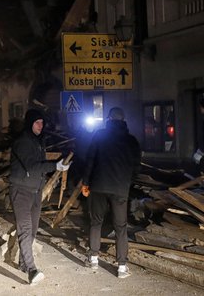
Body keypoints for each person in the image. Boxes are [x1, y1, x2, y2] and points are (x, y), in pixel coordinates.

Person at [9, 109, 69, 285]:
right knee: (25, 229)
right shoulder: (22, 142)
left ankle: (22, 263)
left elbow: (40, 166)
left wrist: (54, 169)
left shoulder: (38, 142)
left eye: (42, 123)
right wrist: (54, 166)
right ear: (30, 123)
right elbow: (32, 166)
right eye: (37, 123)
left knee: (33, 230)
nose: (40, 126)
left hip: (35, 192)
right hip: (21, 191)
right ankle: (32, 269)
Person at [82, 107, 141, 279]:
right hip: (120, 188)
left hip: (98, 186)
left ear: (108, 119)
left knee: (96, 222)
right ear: (123, 120)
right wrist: (128, 182)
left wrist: (86, 182)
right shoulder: (131, 141)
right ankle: (122, 267)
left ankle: (93, 259)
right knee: (121, 227)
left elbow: (90, 160)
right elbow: (137, 166)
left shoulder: (100, 135)